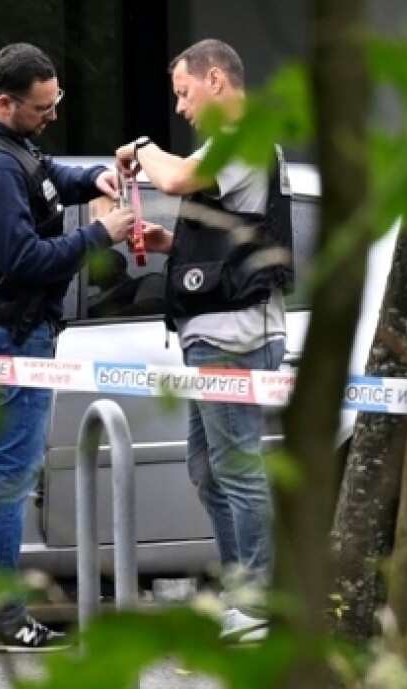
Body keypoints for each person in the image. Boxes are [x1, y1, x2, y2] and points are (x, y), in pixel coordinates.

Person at [0, 42, 135, 652]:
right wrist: (101, 232)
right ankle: (5, 616)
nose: (52, 114)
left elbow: (42, 173)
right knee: (5, 480)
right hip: (3, 336)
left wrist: (93, 178)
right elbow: (22, 259)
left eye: (57, 100)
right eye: (43, 107)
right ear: (6, 101)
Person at [115, 38, 293, 643]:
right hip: (219, 334)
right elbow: (231, 230)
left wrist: (142, 149)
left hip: (234, 336)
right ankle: (244, 589)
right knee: (207, 469)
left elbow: (180, 176)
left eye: (184, 94)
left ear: (216, 80)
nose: (183, 108)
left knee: (235, 469)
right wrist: (171, 244)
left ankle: (258, 598)